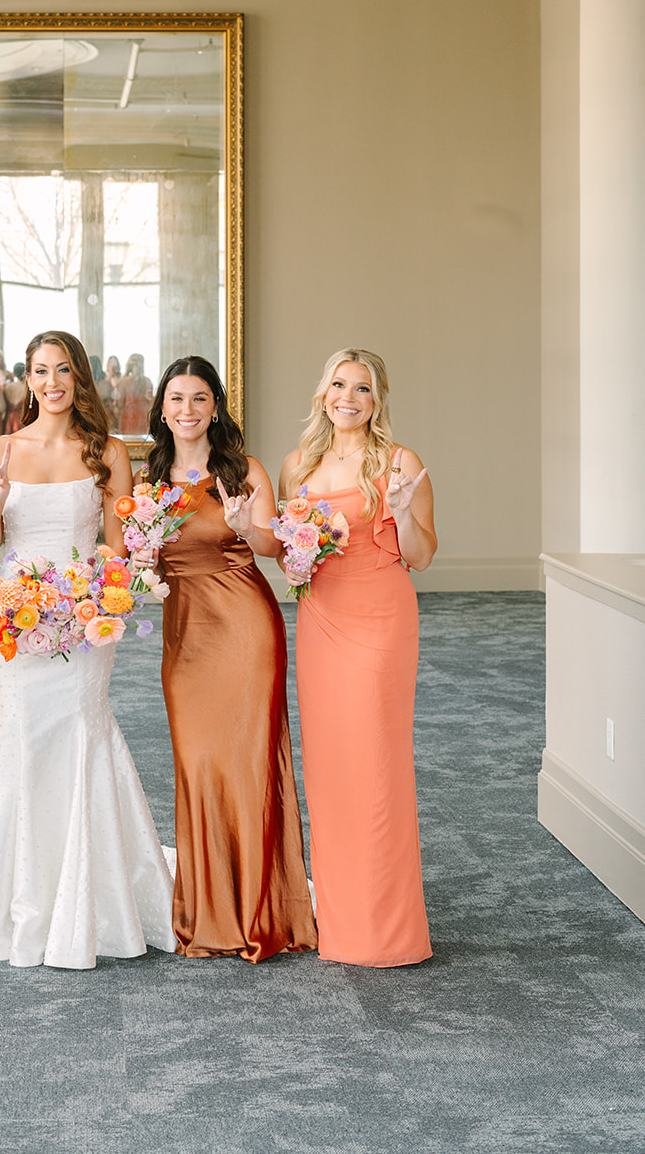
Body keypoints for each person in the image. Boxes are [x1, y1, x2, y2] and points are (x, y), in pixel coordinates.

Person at [0, 329, 175, 968]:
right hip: (14, 620)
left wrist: (93, 598)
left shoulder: (107, 451)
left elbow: (117, 549)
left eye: (64, 370)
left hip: (81, 615)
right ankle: (15, 897)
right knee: (18, 729)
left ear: (80, 379)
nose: (52, 382)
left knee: (79, 728)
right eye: (41, 371)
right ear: (28, 379)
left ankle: (89, 898)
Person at [144, 356, 317, 962]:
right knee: (197, 763)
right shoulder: (148, 479)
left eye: (199, 398)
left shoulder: (245, 470)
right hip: (185, 634)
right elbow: (142, 561)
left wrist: (246, 525)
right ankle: (209, 910)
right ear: (162, 409)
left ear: (215, 407)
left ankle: (258, 912)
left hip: (245, 628)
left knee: (247, 764)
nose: (187, 410)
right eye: (176, 399)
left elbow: (272, 547)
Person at [278, 347, 436, 968]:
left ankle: (385, 930)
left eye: (363, 388)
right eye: (339, 385)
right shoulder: (298, 465)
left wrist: (402, 509)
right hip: (320, 620)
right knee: (329, 765)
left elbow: (421, 555)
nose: (349, 397)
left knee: (376, 764)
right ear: (323, 394)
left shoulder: (400, 462)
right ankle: (341, 919)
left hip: (379, 620)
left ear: (377, 400)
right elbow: (292, 556)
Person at [117, 352, 153, 435]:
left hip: (141, 420)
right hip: (129, 419)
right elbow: (119, 404)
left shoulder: (147, 381)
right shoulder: (124, 381)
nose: (138, 368)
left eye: (139, 365)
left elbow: (150, 403)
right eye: (136, 365)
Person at [2, 361, 28, 434]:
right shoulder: (28, 388)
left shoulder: (7, 387)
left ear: (14, 374)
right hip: (23, 420)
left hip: (9, 420)